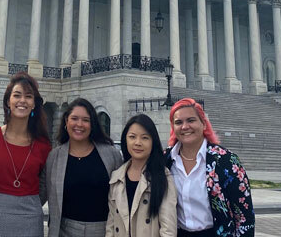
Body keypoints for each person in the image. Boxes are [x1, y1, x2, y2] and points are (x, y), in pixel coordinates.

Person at [0, 72, 52, 237]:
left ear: (34, 104)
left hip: (29, 220)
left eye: (28, 96)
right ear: (8, 102)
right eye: (17, 95)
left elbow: (45, 185)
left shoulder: (43, 145)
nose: (22, 100)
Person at [166, 98, 254, 237]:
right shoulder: (165, 160)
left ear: (204, 124)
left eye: (191, 120)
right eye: (178, 122)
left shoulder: (226, 161)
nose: (184, 127)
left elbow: (244, 215)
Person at [46, 98, 123, 237]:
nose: (79, 124)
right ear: (66, 122)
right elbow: (42, 191)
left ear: (92, 124)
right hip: (65, 230)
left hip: (104, 230)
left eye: (86, 120)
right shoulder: (54, 157)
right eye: (74, 118)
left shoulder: (112, 155)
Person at [106, 114, 177, 237]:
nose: (138, 143)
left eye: (145, 138)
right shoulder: (116, 177)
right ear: (125, 140)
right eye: (132, 137)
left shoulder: (162, 176)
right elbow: (111, 225)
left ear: (152, 142)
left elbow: (168, 229)